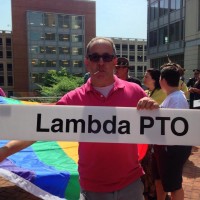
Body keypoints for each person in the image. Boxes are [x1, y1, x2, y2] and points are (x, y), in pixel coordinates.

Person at [0, 37, 159, 200]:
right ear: (87, 62)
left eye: (107, 57)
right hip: (92, 189)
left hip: (130, 185)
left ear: (114, 61)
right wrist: (6, 151)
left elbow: (159, 126)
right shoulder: (73, 99)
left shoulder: (135, 91)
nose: (101, 62)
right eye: (95, 57)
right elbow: (39, 128)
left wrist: (153, 108)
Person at [152, 63, 192, 200]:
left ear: (162, 80)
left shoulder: (176, 99)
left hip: (172, 149)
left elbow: (176, 129)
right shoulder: (175, 96)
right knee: (160, 180)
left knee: (174, 186)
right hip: (165, 148)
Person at [142, 68, 167, 200]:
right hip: (146, 134)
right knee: (146, 164)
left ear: (154, 79)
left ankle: (154, 192)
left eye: (147, 76)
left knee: (153, 165)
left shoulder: (161, 94)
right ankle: (148, 189)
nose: (144, 78)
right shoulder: (147, 92)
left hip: (156, 136)